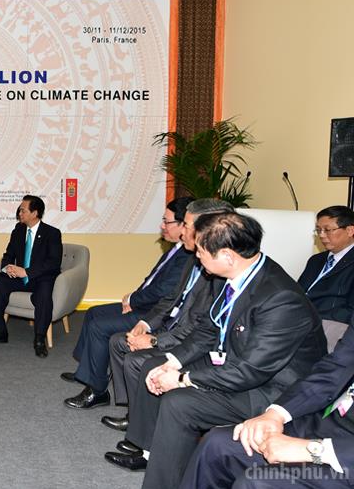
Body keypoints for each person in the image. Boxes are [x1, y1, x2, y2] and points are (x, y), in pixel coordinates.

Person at [105, 211, 327, 489]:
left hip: (272, 390)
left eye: (201, 251)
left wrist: (183, 378)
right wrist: (172, 362)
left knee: (181, 403)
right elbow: (208, 329)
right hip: (234, 364)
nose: (196, 256)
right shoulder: (237, 276)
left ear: (227, 256)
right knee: (158, 369)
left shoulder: (281, 299)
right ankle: (161, 462)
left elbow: (249, 371)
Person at [101, 199, 232, 432]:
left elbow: (200, 328)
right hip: (172, 326)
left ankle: (143, 424)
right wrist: (145, 325)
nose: (182, 231)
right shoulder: (193, 259)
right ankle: (136, 411)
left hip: (190, 341)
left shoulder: (218, 273)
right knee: (119, 341)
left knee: (136, 360)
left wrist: (154, 341)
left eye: (187, 225)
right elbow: (171, 299)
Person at [181, 320, 354, 488]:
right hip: (329, 423)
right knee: (218, 445)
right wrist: (275, 414)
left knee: (257, 482)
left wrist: (315, 450)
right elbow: (335, 369)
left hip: (345, 453)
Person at [61, 197, 193, 407]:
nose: (162, 226)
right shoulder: (176, 248)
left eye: (167, 222)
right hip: (145, 303)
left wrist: (133, 299)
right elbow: (152, 281)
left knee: (98, 326)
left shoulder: (188, 255)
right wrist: (133, 297)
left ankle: (97, 390)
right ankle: (87, 371)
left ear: (183, 224)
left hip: (154, 312)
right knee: (93, 312)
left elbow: (163, 291)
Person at [0, 195, 63, 357]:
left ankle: (39, 338)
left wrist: (27, 272)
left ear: (35, 213)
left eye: (23, 210)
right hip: (21, 278)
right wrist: (7, 267)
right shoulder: (18, 230)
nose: (19, 213)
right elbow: (8, 254)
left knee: (44, 294)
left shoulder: (52, 233)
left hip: (41, 278)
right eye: (19, 210)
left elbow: (53, 263)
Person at [298, 205, 354, 324]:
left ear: (350, 231)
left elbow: (350, 312)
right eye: (318, 230)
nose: (321, 235)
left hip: (330, 323)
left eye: (327, 230)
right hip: (298, 318)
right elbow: (298, 292)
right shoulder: (315, 260)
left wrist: (310, 318)